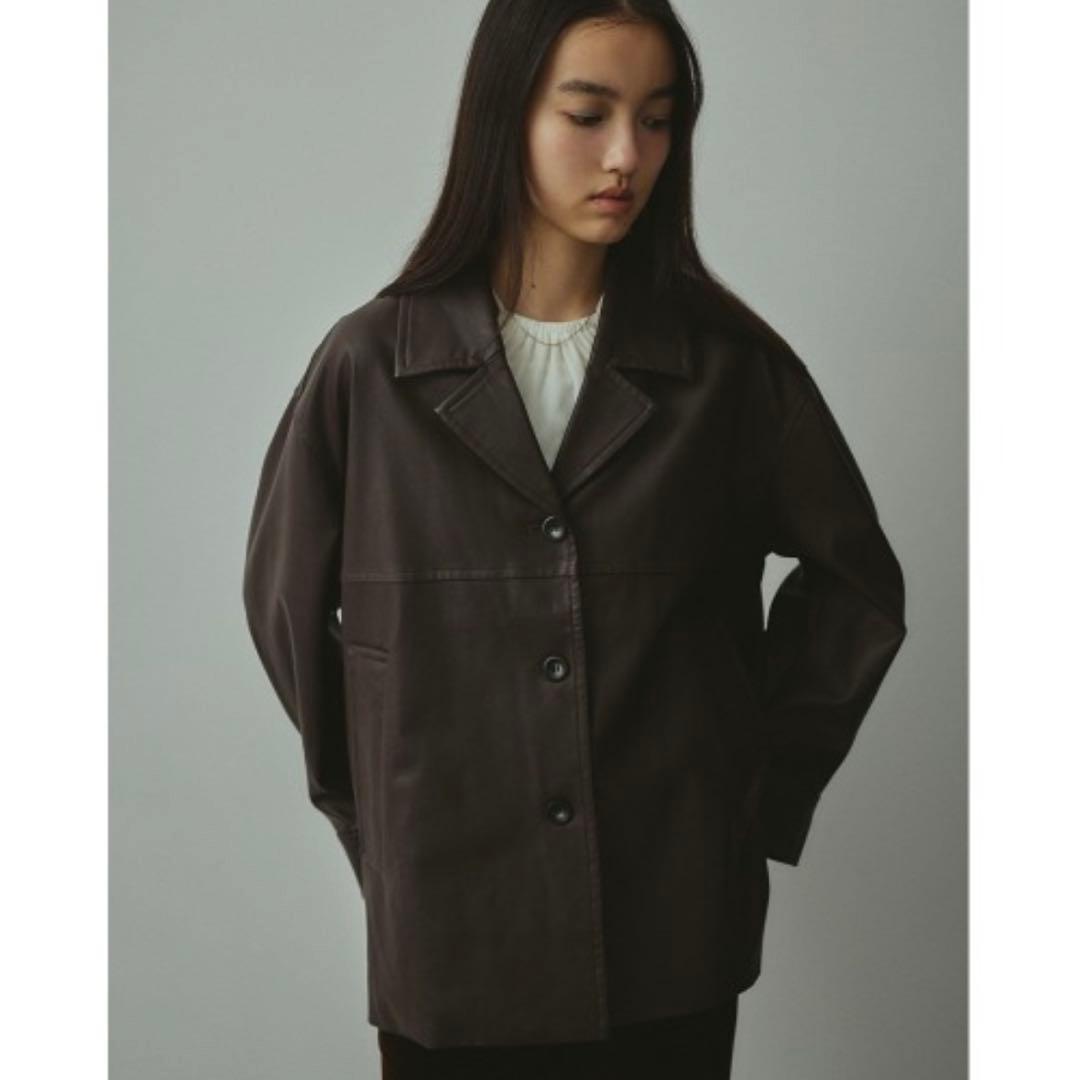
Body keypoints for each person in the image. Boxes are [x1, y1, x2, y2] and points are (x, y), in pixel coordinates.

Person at [241, 2, 908, 1077]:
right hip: (453, 936)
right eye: (589, 114)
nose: (627, 156)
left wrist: (753, 792)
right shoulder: (371, 367)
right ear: (505, 116)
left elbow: (858, 582)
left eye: (658, 119)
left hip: (672, 926)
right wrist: (382, 822)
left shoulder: (729, 371)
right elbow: (285, 605)